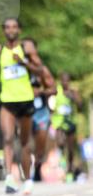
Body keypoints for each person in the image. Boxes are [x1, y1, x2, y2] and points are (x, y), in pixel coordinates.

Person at [0, 18, 42, 194]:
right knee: (7, 138)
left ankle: (27, 179)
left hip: (26, 99)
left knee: (24, 142)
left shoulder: (26, 49)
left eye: (14, 27)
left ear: (19, 30)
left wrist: (24, 63)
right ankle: (9, 178)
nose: (11, 30)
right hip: (7, 100)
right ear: (4, 30)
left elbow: (40, 70)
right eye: (7, 27)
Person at [24, 37, 56, 182]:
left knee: (40, 144)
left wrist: (41, 92)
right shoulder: (19, 67)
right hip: (25, 109)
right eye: (25, 48)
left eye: (30, 49)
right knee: (27, 143)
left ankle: (37, 166)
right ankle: (27, 172)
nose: (27, 51)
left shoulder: (42, 70)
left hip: (41, 111)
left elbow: (54, 89)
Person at [51, 72, 82, 179]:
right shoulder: (57, 90)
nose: (65, 83)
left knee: (71, 149)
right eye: (63, 80)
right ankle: (62, 160)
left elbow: (80, 107)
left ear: (69, 81)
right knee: (59, 142)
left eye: (67, 81)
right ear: (61, 81)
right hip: (59, 122)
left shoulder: (74, 91)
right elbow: (50, 99)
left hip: (71, 122)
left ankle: (69, 169)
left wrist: (73, 98)